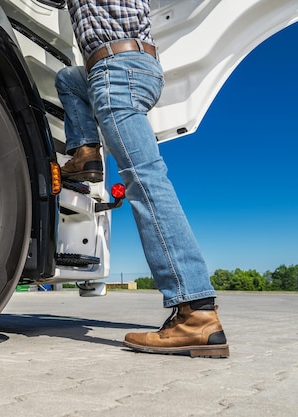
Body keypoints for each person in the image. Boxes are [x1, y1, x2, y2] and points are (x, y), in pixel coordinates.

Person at [57, 0, 229, 358]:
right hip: (142, 67)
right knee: (68, 80)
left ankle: (196, 311)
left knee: (145, 181)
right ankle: (86, 152)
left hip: (114, 69)